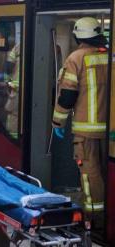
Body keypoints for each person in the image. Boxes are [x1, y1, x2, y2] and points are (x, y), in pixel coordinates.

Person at [52, 17, 108, 228]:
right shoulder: (109, 57)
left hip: (86, 131)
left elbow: (67, 96)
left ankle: (93, 219)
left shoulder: (76, 58)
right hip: (109, 130)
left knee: (89, 173)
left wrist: (58, 123)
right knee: (104, 170)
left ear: (77, 37)